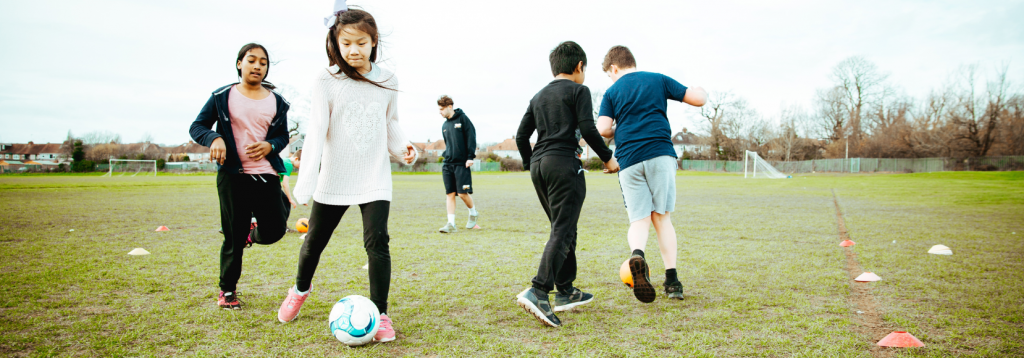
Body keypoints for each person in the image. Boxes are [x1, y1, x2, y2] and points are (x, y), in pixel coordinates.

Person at [276, 3, 416, 345]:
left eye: (361, 42)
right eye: (346, 43)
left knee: (378, 244)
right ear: (335, 44)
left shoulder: (388, 79)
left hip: (374, 177)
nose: (354, 50)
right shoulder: (326, 80)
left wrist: (403, 148)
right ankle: (299, 290)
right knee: (314, 242)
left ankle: (380, 313)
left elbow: (390, 122)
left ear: (373, 42)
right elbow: (317, 131)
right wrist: (305, 184)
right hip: (335, 177)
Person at [514, 41, 619, 327]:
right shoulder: (579, 90)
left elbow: (521, 137)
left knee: (564, 227)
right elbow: (588, 128)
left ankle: (566, 290)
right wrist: (608, 158)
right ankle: (538, 290)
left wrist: (531, 164)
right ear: (579, 66)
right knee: (563, 227)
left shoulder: (538, 96)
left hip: (540, 165)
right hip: (563, 164)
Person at [596, 45, 707, 303]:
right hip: (660, 153)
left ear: (614, 68)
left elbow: (602, 128)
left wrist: (618, 126)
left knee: (639, 219)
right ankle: (672, 280)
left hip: (629, 159)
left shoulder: (612, 91)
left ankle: (638, 254)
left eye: (609, 74)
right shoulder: (658, 79)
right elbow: (697, 99)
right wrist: (702, 91)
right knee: (662, 218)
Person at [189, 43, 292, 310]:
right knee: (232, 237)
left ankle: (252, 234)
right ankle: (227, 291)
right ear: (239, 64)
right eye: (252, 60)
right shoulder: (222, 96)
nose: (257, 66)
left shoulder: (277, 102)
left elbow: (282, 136)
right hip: (233, 176)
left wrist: (270, 145)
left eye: (263, 62)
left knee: (276, 229)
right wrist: (215, 137)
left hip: (266, 174)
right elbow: (197, 127)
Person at [436, 95, 479, 233]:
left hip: (462, 163)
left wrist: (470, 157)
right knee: (450, 193)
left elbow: (471, 137)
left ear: (450, 107)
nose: (440, 112)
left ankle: (473, 213)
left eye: (442, 109)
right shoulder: (444, 125)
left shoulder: (463, 119)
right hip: (448, 163)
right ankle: (451, 224)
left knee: (462, 194)